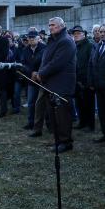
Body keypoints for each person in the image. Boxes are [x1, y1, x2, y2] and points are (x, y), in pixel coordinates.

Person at [30, 18, 76, 152]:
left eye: (53, 25)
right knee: (53, 115)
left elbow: (57, 63)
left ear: (62, 26)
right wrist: (40, 72)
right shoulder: (53, 40)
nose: (50, 27)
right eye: (49, 25)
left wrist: (41, 74)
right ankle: (58, 140)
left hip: (62, 84)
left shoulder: (66, 41)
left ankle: (66, 142)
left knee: (62, 115)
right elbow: (47, 61)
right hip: (50, 83)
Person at [19, 30, 45, 131]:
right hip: (31, 80)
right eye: (29, 37)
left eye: (33, 37)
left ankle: (48, 124)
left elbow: (46, 62)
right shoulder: (25, 50)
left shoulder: (44, 48)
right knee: (31, 102)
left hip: (43, 79)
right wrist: (31, 73)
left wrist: (38, 73)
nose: (31, 39)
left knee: (44, 103)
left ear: (39, 38)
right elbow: (23, 63)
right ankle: (31, 123)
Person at [72, 25, 95, 131]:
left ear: (84, 34)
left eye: (78, 33)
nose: (76, 35)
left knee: (88, 104)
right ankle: (82, 122)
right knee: (79, 103)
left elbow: (92, 64)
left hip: (86, 80)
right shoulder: (74, 46)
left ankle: (90, 125)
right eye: (74, 34)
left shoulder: (89, 46)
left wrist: (89, 81)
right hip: (77, 80)